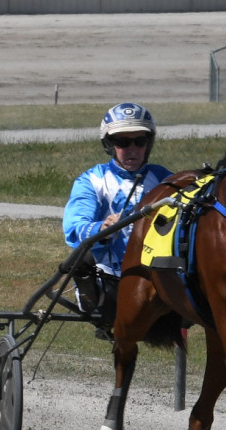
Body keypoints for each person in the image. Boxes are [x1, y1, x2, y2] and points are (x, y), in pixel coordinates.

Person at [63, 102, 170, 336]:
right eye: (122, 142)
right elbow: (74, 227)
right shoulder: (91, 180)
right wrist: (101, 228)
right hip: (108, 282)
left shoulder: (165, 180)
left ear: (148, 144)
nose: (131, 149)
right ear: (109, 145)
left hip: (158, 278)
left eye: (139, 141)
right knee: (79, 260)